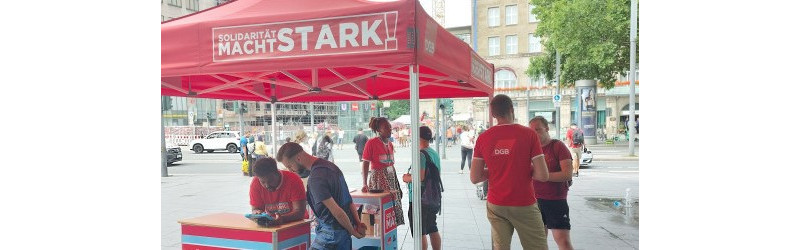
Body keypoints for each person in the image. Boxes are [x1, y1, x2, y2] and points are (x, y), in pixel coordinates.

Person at [470, 94, 549, 250]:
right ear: (512, 109)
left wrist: (496, 170)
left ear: (493, 114)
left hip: (496, 204)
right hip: (524, 203)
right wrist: (520, 168)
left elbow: (475, 177)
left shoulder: (483, 138)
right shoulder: (529, 134)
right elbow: (543, 175)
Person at [277, 143, 366, 249]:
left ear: (298, 158)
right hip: (343, 232)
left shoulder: (316, 178)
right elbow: (348, 200)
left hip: (331, 235)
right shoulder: (331, 166)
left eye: (290, 166)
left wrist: (353, 231)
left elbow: (336, 211)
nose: (291, 170)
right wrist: (357, 223)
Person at [529, 117, 575, 250]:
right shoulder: (530, 149)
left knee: (563, 241)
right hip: (534, 200)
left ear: (547, 129)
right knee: (538, 242)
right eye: (532, 131)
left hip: (555, 200)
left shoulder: (558, 146)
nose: (535, 133)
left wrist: (543, 176)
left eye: (538, 129)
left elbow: (567, 174)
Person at [402, 126, 442, 250]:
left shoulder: (421, 154)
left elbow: (420, 177)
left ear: (418, 138)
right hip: (432, 197)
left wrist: (407, 178)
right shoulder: (433, 153)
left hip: (420, 198)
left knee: (420, 232)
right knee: (432, 227)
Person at [361, 117, 405, 227]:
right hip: (379, 178)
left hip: (391, 177)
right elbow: (365, 163)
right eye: (386, 127)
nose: (390, 129)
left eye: (390, 127)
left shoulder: (390, 143)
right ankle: (380, 227)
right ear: (379, 130)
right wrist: (364, 183)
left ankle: (391, 227)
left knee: (393, 205)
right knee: (381, 207)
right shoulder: (371, 143)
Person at [249, 158, 308, 226]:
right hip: (272, 225)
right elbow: (256, 209)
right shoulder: (255, 183)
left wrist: (282, 219)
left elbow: (299, 212)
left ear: (277, 172)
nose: (267, 185)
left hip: (297, 225)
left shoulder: (293, 180)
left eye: (270, 180)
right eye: (263, 182)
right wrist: (257, 212)